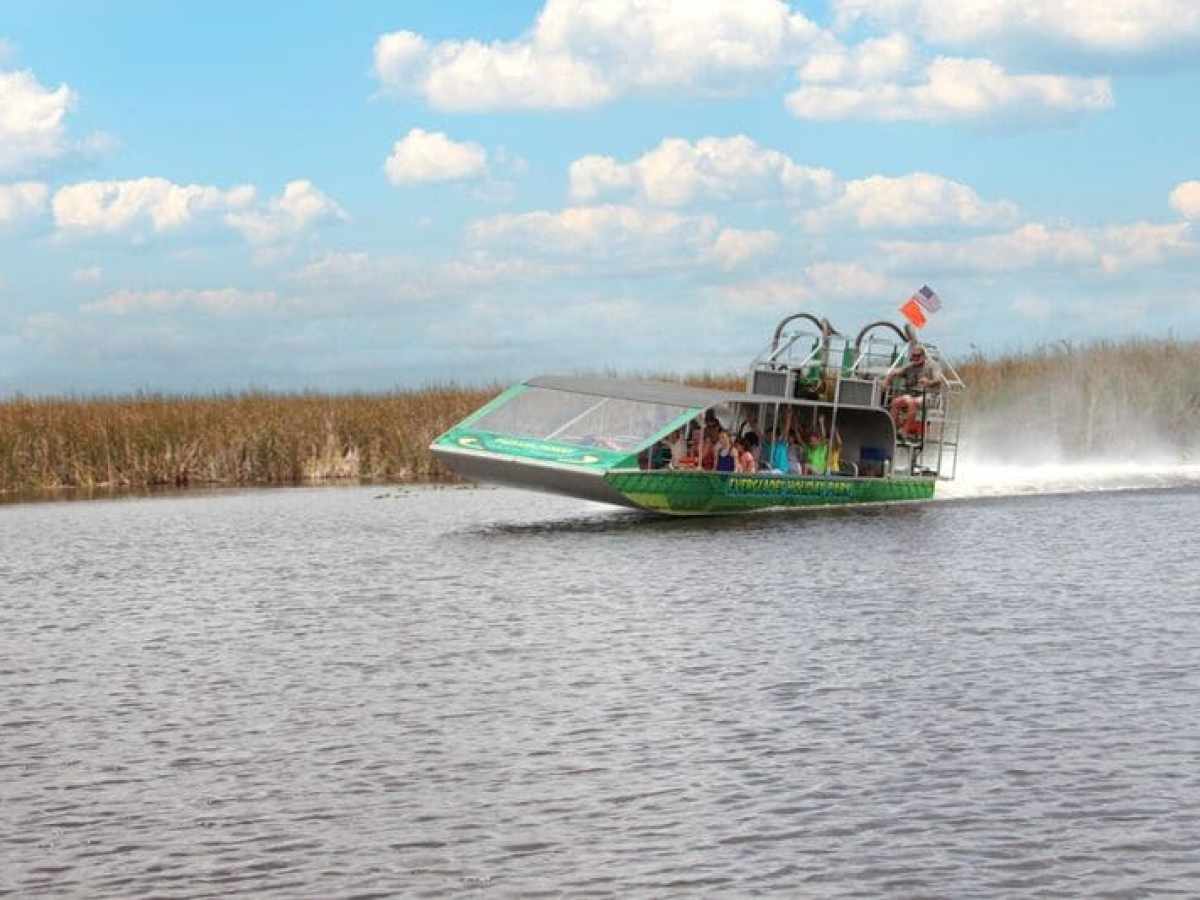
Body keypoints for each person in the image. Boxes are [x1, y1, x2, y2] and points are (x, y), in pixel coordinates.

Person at [884, 344, 945, 440]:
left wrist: (929, 382)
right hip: (912, 396)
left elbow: (938, 380)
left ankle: (905, 431)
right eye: (913, 356)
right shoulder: (910, 367)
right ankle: (892, 430)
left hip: (930, 396)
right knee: (896, 402)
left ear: (923, 356)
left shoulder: (932, 366)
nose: (915, 358)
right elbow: (896, 372)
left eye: (917, 356)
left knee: (912, 402)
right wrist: (887, 380)